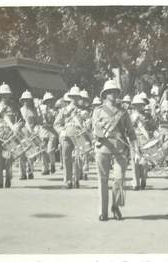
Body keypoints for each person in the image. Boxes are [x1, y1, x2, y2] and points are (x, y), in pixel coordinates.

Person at [92, 79, 139, 221]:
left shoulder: (123, 112)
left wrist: (136, 147)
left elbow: (130, 132)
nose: (113, 94)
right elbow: (94, 130)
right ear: (105, 94)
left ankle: (116, 206)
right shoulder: (98, 111)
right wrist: (102, 132)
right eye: (109, 92)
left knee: (119, 179)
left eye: (115, 92)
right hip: (103, 148)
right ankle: (103, 211)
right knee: (103, 180)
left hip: (120, 149)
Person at [0, 82, 23, 189]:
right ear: (0, 95)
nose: (5, 96)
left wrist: (18, 126)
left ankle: (8, 179)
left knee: (8, 159)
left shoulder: (14, 107)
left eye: (7, 94)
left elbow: (22, 120)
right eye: (3, 94)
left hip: (11, 137)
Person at [54, 85, 84, 189]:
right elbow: (56, 124)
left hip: (78, 136)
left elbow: (86, 125)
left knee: (78, 157)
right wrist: (61, 131)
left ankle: (76, 179)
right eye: (73, 97)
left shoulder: (82, 111)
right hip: (66, 135)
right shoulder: (64, 110)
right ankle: (68, 180)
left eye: (77, 97)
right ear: (70, 97)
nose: (75, 99)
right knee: (66, 157)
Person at [130, 95, 150, 190]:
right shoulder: (131, 116)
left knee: (145, 162)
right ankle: (135, 183)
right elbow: (128, 128)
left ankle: (144, 179)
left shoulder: (148, 116)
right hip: (134, 140)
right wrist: (134, 119)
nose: (139, 107)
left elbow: (152, 127)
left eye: (140, 105)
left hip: (145, 140)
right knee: (134, 162)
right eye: (136, 105)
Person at [19, 90, 40, 180]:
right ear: (23, 100)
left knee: (31, 154)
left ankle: (30, 172)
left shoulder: (34, 110)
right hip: (22, 133)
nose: (27, 101)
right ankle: (22, 173)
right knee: (22, 154)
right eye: (25, 99)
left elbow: (38, 122)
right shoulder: (20, 110)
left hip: (32, 133)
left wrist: (35, 130)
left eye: (28, 99)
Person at [39, 91, 58, 175]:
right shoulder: (41, 110)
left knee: (50, 150)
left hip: (52, 131)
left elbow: (56, 122)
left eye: (50, 100)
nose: (49, 102)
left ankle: (53, 165)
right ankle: (45, 168)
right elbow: (39, 120)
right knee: (43, 150)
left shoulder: (55, 111)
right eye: (47, 100)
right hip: (43, 131)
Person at [158, 100, 168, 166]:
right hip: (161, 130)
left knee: (166, 146)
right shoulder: (159, 113)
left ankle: (167, 160)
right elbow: (156, 120)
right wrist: (159, 115)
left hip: (167, 130)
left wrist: (167, 115)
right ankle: (161, 160)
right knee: (160, 146)